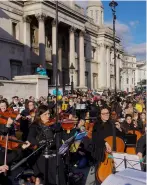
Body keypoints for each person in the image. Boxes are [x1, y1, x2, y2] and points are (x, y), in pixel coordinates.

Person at [26, 105, 66, 185]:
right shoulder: (35, 126)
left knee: (60, 169)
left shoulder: (52, 124)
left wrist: (60, 130)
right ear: (39, 115)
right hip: (41, 153)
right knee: (50, 170)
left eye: (49, 114)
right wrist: (41, 142)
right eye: (45, 114)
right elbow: (30, 138)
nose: (48, 116)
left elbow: (59, 138)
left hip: (54, 151)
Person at [91, 106, 124, 185]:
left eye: (107, 113)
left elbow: (120, 138)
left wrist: (119, 129)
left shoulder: (112, 123)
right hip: (101, 152)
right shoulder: (97, 125)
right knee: (100, 174)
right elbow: (95, 138)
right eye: (104, 113)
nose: (106, 115)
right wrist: (105, 143)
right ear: (100, 115)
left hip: (112, 152)